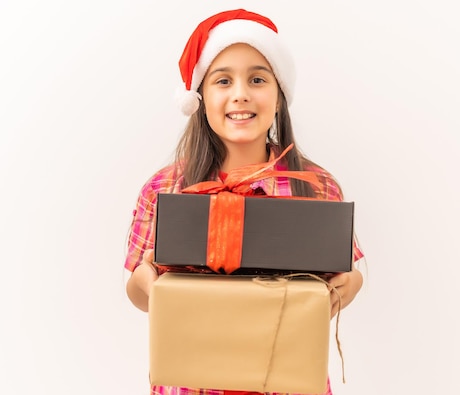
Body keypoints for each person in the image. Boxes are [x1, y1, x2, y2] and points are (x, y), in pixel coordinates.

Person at [124, 8, 365, 395]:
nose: (241, 94)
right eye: (223, 80)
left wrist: (349, 284)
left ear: (278, 94)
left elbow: (345, 277)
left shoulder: (316, 187)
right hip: (190, 383)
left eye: (257, 79)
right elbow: (137, 290)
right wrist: (151, 285)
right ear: (200, 96)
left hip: (288, 381)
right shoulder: (165, 187)